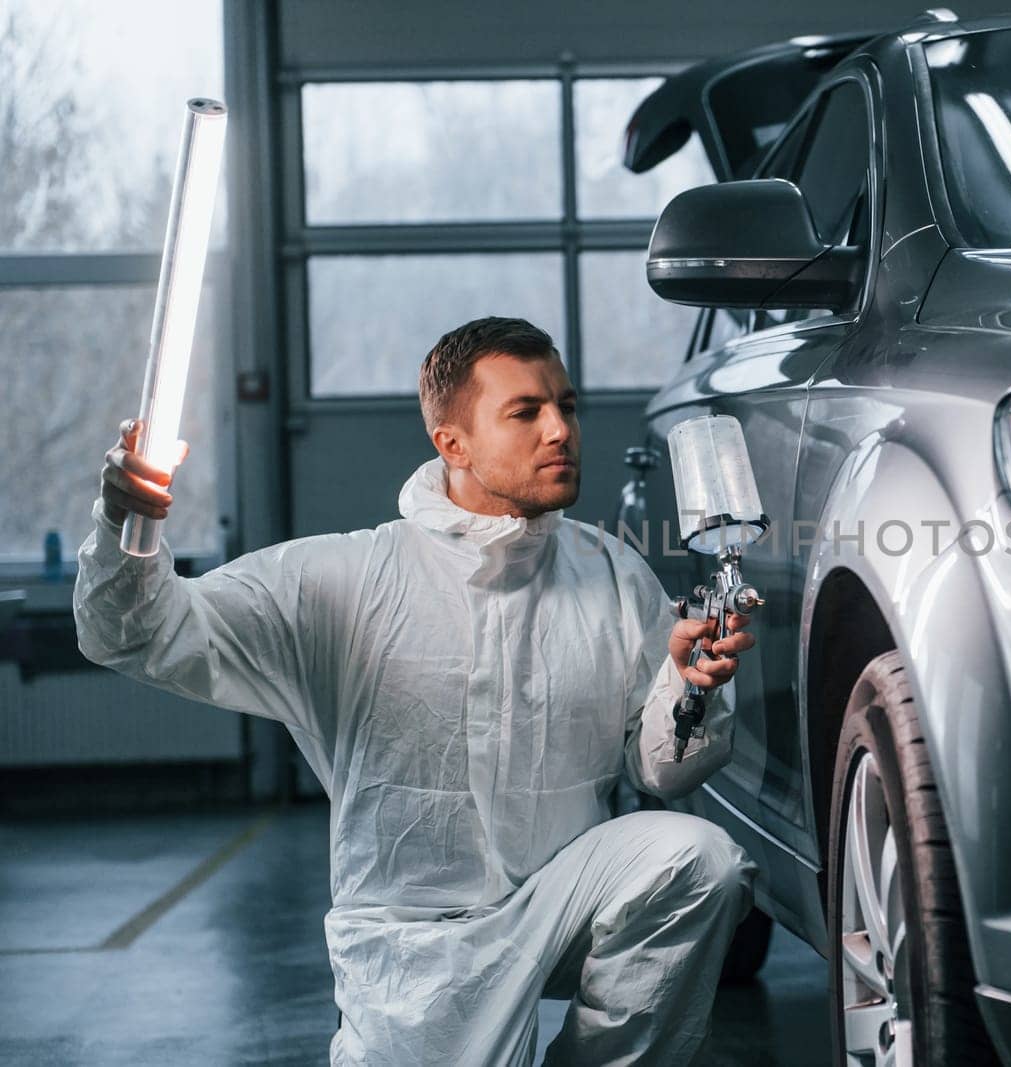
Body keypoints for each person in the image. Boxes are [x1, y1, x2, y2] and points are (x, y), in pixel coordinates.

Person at [74, 316, 761, 1065]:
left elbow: (660, 768)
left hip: (562, 902)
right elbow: (137, 631)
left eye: (566, 404)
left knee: (700, 861)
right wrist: (125, 524)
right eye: (525, 411)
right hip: (416, 944)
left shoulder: (612, 575)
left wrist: (691, 687)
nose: (560, 429)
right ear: (452, 443)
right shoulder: (347, 581)